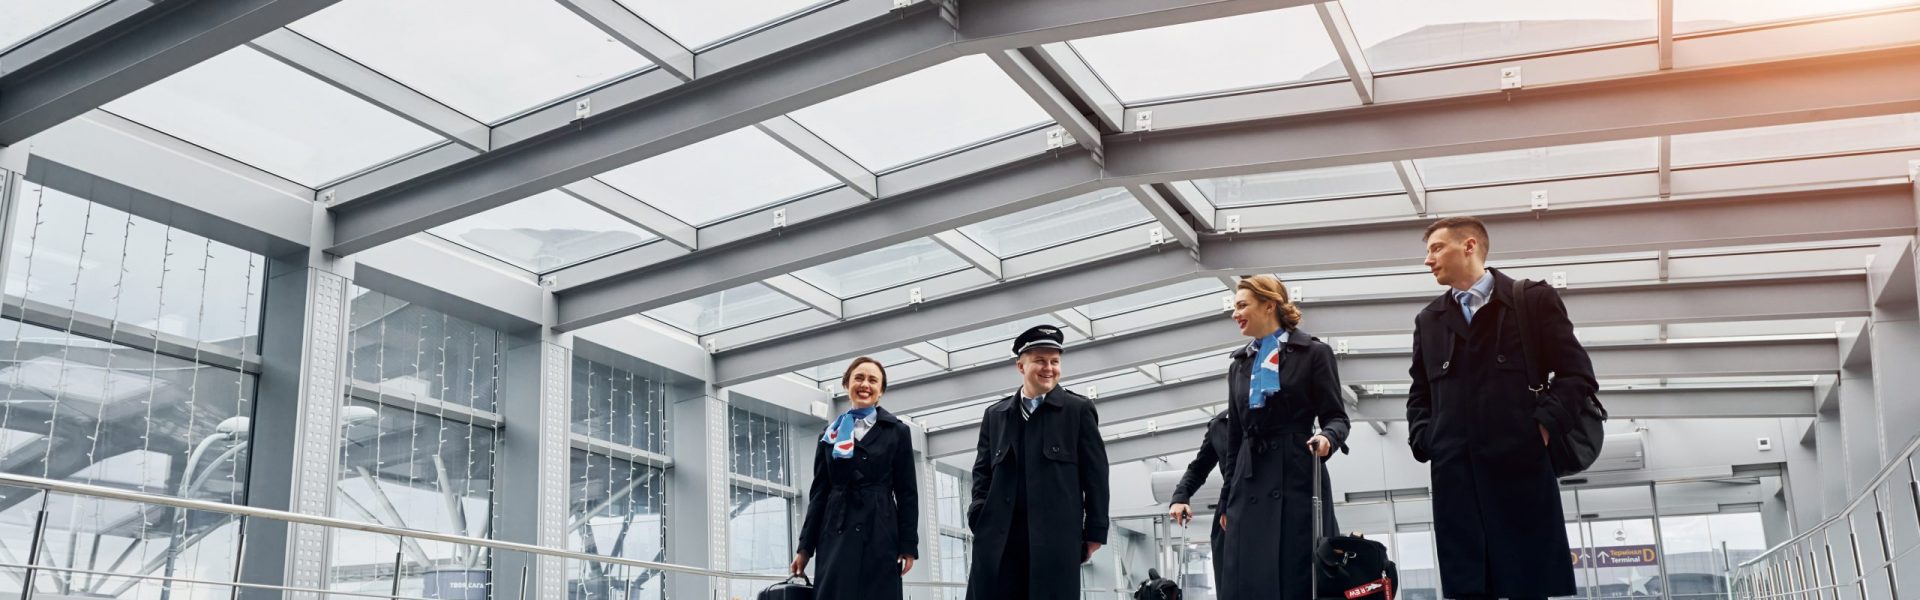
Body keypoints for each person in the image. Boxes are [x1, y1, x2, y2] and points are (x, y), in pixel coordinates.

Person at [1407, 216, 1596, 600]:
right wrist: (1426, 438)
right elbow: (1419, 391)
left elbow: (1578, 375)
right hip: (1456, 479)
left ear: (1470, 246)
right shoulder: (1429, 320)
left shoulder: (1531, 300)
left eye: (1436, 248)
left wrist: (1540, 429)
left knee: (1528, 584)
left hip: (1520, 472)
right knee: (1470, 586)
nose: (1428, 260)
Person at [1215, 275, 1351, 600]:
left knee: (1296, 574)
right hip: (1248, 481)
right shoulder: (1239, 365)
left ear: (1269, 305)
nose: (1235, 313)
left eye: (1242, 305)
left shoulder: (1314, 353)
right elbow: (1234, 439)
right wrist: (1225, 501)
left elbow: (1337, 417)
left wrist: (1328, 438)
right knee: (1249, 577)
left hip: (1297, 475)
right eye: (1234, 307)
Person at [966, 325, 1111, 600]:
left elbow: (1096, 476)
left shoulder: (1077, 411)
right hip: (998, 542)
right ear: (1021, 366)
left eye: (1055, 361)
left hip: (1054, 543)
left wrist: (1094, 531)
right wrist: (978, 514)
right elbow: (982, 473)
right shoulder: (996, 415)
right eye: (1040, 361)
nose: (1049, 368)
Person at [791, 357, 918, 600]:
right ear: (847, 384)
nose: (865, 384)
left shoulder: (898, 432)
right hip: (836, 531)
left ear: (880, 391)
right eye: (859, 378)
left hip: (880, 532)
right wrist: (805, 548)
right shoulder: (829, 435)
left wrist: (908, 545)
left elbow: (907, 492)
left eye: (873, 380)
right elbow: (819, 493)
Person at [1166, 412, 1233, 579]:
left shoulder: (1279, 411)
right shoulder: (1219, 425)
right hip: (1230, 512)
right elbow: (1198, 468)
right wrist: (1180, 496)